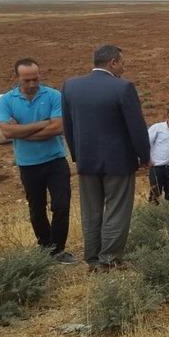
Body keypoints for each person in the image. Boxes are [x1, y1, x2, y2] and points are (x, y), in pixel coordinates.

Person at [62, 45, 150, 272]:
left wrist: (77, 155)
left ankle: (92, 260)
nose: (124, 66)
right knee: (117, 209)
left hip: (86, 160)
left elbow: (68, 126)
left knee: (91, 211)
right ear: (112, 62)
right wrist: (144, 156)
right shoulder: (123, 87)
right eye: (122, 62)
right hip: (118, 161)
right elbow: (137, 127)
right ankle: (109, 259)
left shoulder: (71, 86)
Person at [0, 58, 76, 264]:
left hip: (55, 161)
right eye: (27, 80)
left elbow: (58, 127)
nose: (32, 84)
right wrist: (42, 124)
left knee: (61, 204)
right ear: (15, 78)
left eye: (35, 79)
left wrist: (21, 131)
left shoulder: (53, 95)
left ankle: (58, 249)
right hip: (28, 164)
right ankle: (45, 246)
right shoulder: (6, 100)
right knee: (36, 207)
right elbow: (6, 131)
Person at [147, 108, 169, 203]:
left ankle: (168, 215)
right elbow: (147, 143)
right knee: (155, 194)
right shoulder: (157, 128)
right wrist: (147, 159)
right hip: (157, 167)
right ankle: (153, 215)